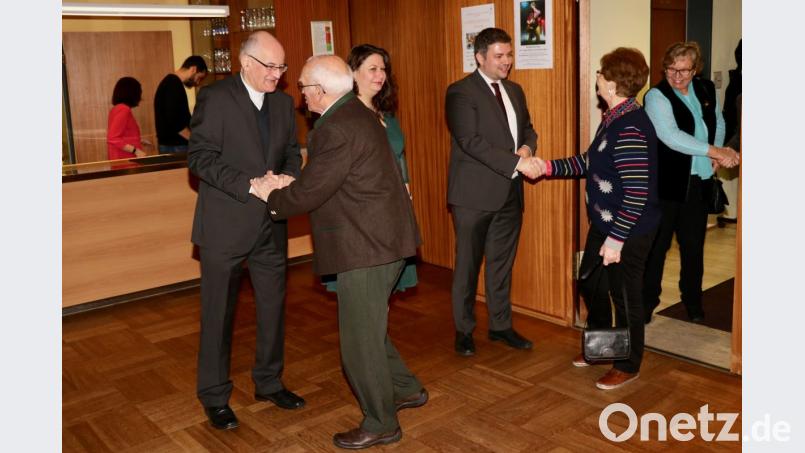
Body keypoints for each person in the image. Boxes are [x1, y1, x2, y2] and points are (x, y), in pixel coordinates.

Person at [251, 55, 426, 450]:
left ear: (320, 91)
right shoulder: (357, 115)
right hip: (386, 240)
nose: (301, 96)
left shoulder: (334, 127)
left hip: (367, 246)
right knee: (368, 329)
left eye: (303, 88)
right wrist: (289, 183)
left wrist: (272, 195)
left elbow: (313, 190)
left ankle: (381, 423)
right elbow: (329, 178)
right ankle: (406, 389)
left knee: (358, 344)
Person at [187, 31, 304, 431]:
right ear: (247, 63)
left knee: (272, 308)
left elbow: (291, 150)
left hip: (270, 224)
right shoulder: (216, 99)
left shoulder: (285, 104)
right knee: (218, 314)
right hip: (225, 225)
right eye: (271, 67)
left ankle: (269, 382)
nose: (278, 75)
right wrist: (249, 184)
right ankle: (215, 395)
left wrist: (287, 177)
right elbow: (200, 158)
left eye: (282, 67)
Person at [536, 48, 660, 390]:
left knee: (626, 296)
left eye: (601, 73)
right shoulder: (614, 118)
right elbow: (589, 162)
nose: (597, 78)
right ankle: (604, 346)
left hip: (629, 231)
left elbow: (636, 194)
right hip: (606, 224)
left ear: (612, 83)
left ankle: (628, 363)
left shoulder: (631, 127)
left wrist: (617, 240)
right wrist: (546, 167)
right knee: (589, 283)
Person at [445, 27, 541, 357]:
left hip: (509, 194)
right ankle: (463, 330)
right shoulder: (460, 92)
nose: (507, 62)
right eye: (499, 56)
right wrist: (518, 163)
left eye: (509, 55)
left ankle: (500, 326)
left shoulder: (515, 90)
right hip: (473, 195)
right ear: (480, 57)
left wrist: (527, 148)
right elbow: (470, 142)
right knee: (468, 265)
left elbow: (528, 129)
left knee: (501, 265)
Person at [642, 41, 739, 324]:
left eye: (683, 71)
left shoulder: (706, 88)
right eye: (671, 69)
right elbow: (671, 136)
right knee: (657, 249)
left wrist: (716, 152)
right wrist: (715, 151)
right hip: (666, 185)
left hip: (698, 182)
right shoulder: (656, 97)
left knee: (694, 248)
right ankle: (648, 303)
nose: (676, 76)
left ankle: (693, 303)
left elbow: (718, 122)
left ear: (695, 70)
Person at [320, 43, 416, 293]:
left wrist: (406, 184)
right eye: (372, 69)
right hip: (362, 217)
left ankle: (379, 333)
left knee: (385, 287)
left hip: (392, 210)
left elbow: (399, 156)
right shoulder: (345, 116)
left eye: (383, 69)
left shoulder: (386, 114)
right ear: (352, 73)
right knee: (365, 293)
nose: (380, 75)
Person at [154, 55, 208, 154]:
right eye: (199, 78)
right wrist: (195, 141)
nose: (197, 82)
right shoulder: (173, 84)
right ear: (193, 69)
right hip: (175, 146)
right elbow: (175, 122)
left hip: (172, 146)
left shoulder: (171, 83)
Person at [107, 77, 147, 160]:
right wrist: (136, 151)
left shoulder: (117, 108)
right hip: (126, 160)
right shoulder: (123, 109)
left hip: (122, 159)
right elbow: (113, 138)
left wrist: (139, 140)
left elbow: (123, 135)